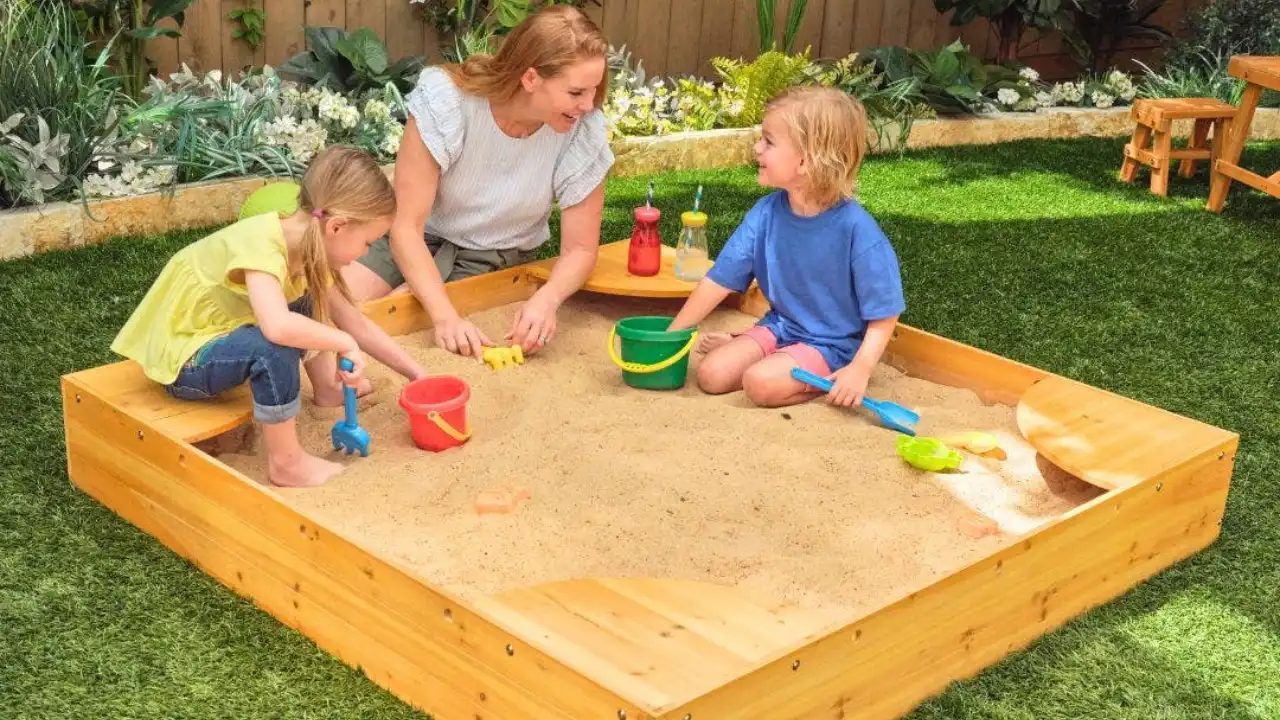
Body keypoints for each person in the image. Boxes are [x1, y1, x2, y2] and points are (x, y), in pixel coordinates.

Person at [110, 145, 429, 488]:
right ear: (337, 226)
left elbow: (355, 321)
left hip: (225, 332)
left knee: (309, 302)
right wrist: (341, 341)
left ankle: (327, 389)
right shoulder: (260, 244)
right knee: (272, 346)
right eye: (368, 242)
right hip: (185, 357)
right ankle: (287, 464)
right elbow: (277, 328)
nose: (366, 253)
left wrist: (416, 374)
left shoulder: (311, 246)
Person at [342, 5, 614, 359]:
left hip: (490, 255)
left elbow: (580, 250)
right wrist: (445, 319)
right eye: (576, 92)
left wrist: (546, 300)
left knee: (384, 320)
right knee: (334, 300)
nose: (588, 105)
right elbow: (406, 228)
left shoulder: (583, 131)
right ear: (530, 79)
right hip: (411, 236)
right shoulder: (450, 101)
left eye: (594, 90)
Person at [666, 86, 906, 409]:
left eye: (768, 141)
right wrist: (672, 334)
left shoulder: (857, 230)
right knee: (711, 374)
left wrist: (860, 369)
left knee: (759, 383)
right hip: (781, 328)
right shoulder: (766, 213)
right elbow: (719, 279)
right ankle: (757, 349)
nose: (757, 149)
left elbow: (885, 313)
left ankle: (800, 367)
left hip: (832, 346)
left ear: (805, 161)